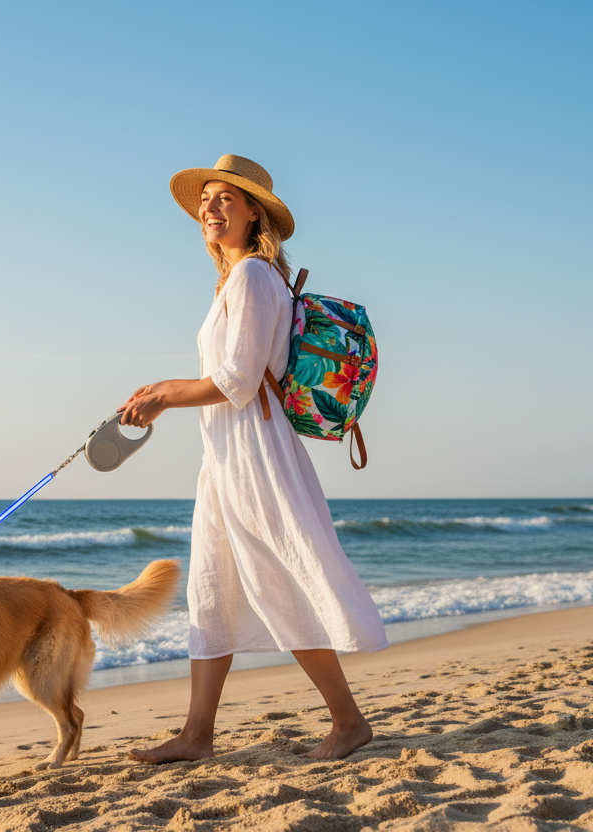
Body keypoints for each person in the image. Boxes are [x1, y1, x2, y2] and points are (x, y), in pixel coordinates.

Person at [119, 155, 388, 763]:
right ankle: (196, 735)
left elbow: (237, 379)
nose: (210, 209)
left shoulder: (253, 278)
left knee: (279, 582)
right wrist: (163, 392)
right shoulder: (236, 280)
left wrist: (163, 395)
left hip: (254, 452)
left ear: (254, 213)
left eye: (225, 200)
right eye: (206, 200)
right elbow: (234, 375)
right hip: (226, 454)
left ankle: (349, 723)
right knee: (210, 593)